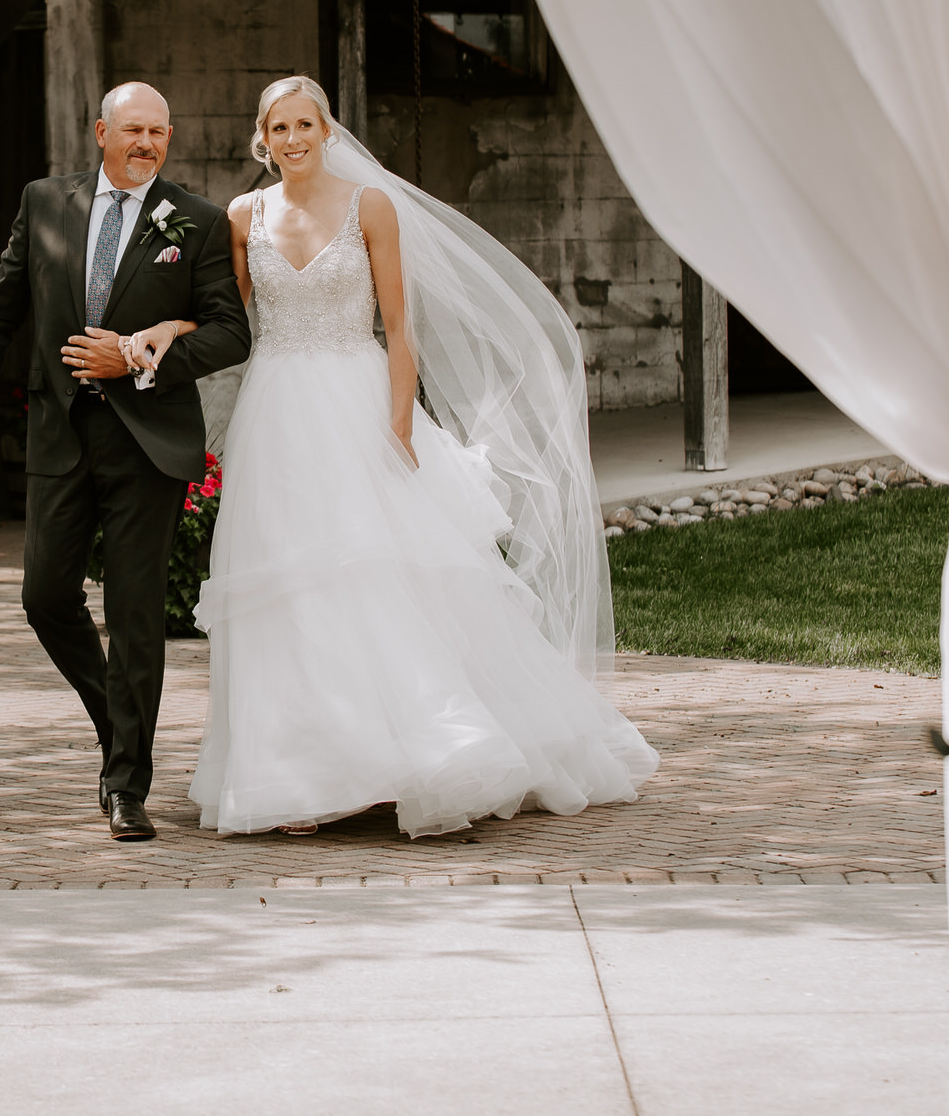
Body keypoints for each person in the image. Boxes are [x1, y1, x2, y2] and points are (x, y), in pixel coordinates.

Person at [129, 76, 657, 837]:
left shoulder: (368, 207)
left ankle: (428, 748)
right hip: (277, 412)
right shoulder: (244, 215)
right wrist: (171, 332)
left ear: (327, 129)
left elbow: (399, 326)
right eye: (279, 127)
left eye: (305, 124)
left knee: (384, 576)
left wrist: (400, 425)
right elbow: (228, 314)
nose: (293, 138)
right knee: (293, 586)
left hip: (357, 400)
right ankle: (301, 774)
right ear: (262, 137)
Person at [0, 82, 251, 841]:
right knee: (44, 596)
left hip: (147, 443)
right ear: (100, 132)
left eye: (159, 132)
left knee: (136, 617)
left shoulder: (198, 220)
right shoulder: (44, 202)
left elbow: (229, 332)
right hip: (59, 436)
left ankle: (127, 786)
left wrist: (140, 357)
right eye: (133, 130)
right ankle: (118, 721)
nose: (146, 143)